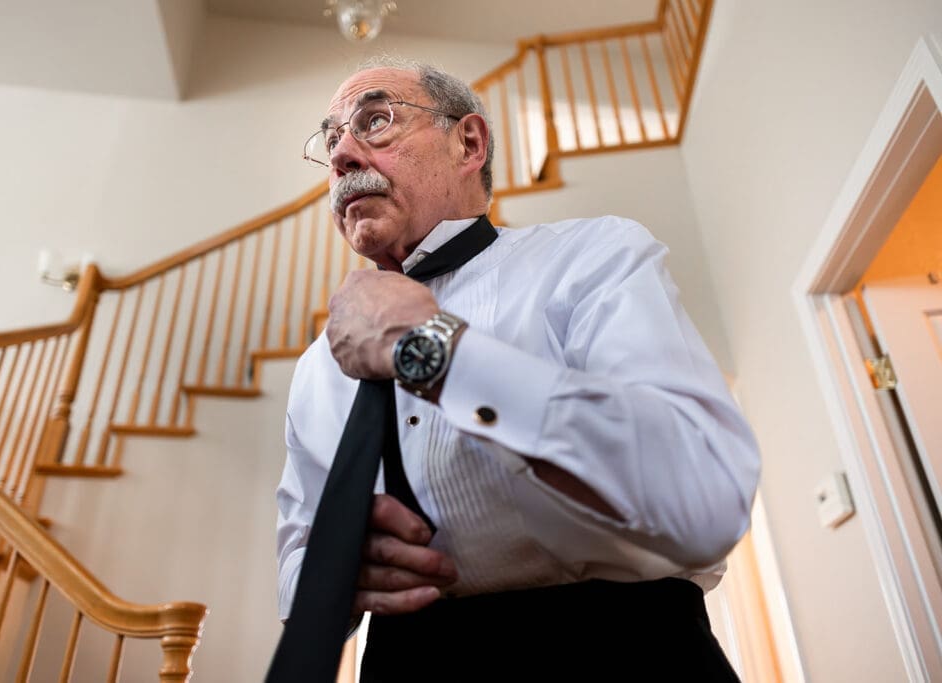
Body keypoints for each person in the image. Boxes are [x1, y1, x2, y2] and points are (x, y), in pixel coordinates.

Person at [275, 57, 760, 682]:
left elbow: (703, 498)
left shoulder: (593, 257)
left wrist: (431, 348)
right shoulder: (319, 366)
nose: (342, 156)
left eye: (375, 120)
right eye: (332, 139)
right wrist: (338, 568)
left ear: (468, 142)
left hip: (623, 648)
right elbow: (295, 567)